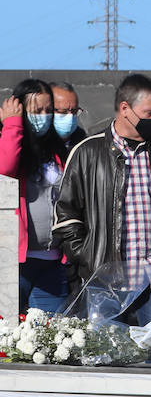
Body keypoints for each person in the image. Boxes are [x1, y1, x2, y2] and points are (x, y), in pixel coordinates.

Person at [54, 74, 151, 325]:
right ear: (125, 109)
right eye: (150, 113)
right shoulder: (87, 153)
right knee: (104, 358)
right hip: (104, 286)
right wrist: (90, 259)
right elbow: (66, 219)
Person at [0, 80, 69, 312]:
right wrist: (12, 125)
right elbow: (6, 168)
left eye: (48, 110)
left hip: (52, 263)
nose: (44, 116)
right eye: (36, 111)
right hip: (15, 264)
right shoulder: (11, 142)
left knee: (49, 336)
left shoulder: (58, 151)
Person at [49, 81, 87, 160]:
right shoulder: (32, 147)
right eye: (63, 111)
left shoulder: (86, 147)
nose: (70, 117)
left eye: (74, 111)